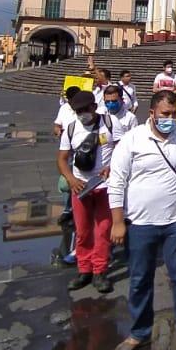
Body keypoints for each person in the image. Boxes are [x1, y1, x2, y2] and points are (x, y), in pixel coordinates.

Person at [107, 89, 176, 350]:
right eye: (164, 114)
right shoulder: (132, 140)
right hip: (139, 223)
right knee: (139, 280)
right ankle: (139, 331)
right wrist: (117, 221)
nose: (170, 119)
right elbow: (116, 181)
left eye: (173, 115)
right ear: (151, 113)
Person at [57, 90, 125, 294]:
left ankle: (100, 271)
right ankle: (84, 270)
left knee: (103, 230)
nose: (82, 114)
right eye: (78, 111)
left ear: (94, 107)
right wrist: (71, 179)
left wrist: (112, 166)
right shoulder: (71, 128)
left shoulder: (111, 123)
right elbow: (62, 158)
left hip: (105, 186)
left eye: (85, 110)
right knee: (83, 230)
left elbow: (123, 151)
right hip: (81, 186)